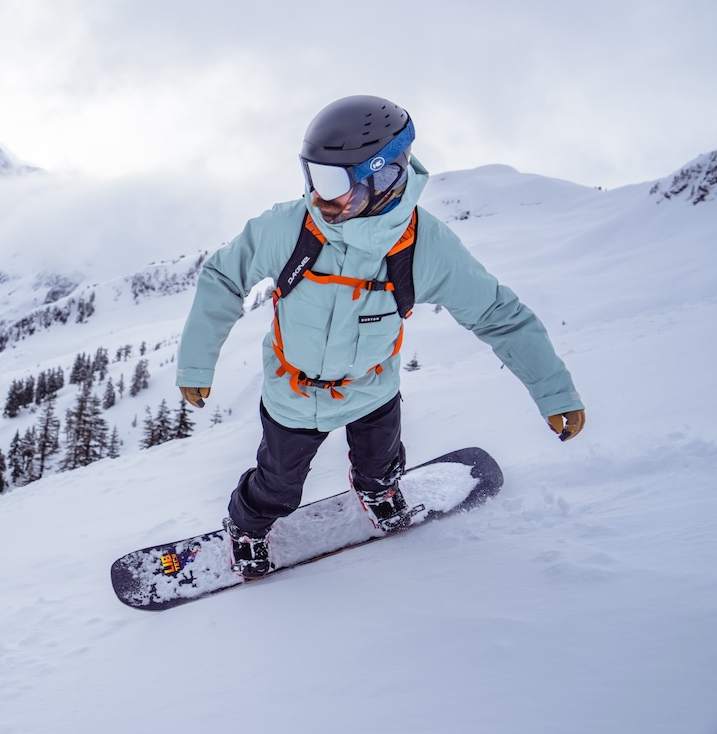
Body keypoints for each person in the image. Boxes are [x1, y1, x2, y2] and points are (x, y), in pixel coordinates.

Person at [176, 95, 585, 579]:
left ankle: (379, 491)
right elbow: (224, 277)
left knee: (381, 462)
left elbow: (498, 314)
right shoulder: (290, 228)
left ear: (386, 175)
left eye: (334, 182)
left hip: (373, 390)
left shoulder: (424, 246)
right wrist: (197, 362)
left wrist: (551, 387)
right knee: (277, 486)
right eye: (312, 176)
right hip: (293, 395)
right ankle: (248, 526)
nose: (319, 196)